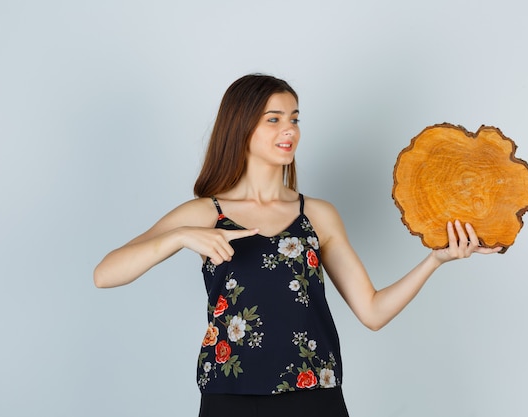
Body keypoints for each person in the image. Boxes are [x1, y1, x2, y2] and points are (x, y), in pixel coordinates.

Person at [94, 74, 502, 417]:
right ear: (242, 128)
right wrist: (181, 237)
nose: (289, 130)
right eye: (273, 119)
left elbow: (373, 312)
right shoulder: (207, 212)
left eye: (294, 118)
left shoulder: (318, 215)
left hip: (315, 396)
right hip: (230, 396)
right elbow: (105, 273)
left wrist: (436, 259)